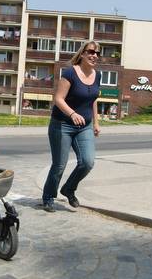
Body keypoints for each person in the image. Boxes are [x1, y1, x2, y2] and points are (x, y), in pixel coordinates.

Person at [41, 41, 101, 212]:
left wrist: (96, 122)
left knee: (88, 162)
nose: (94, 55)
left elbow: (93, 99)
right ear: (82, 53)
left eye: (97, 53)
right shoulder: (70, 73)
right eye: (91, 51)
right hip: (62, 125)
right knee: (59, 164)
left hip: (85, 126)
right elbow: (58, 99)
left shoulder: (97, 75)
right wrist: (73, 114)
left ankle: (68, 189)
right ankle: (48, 197)